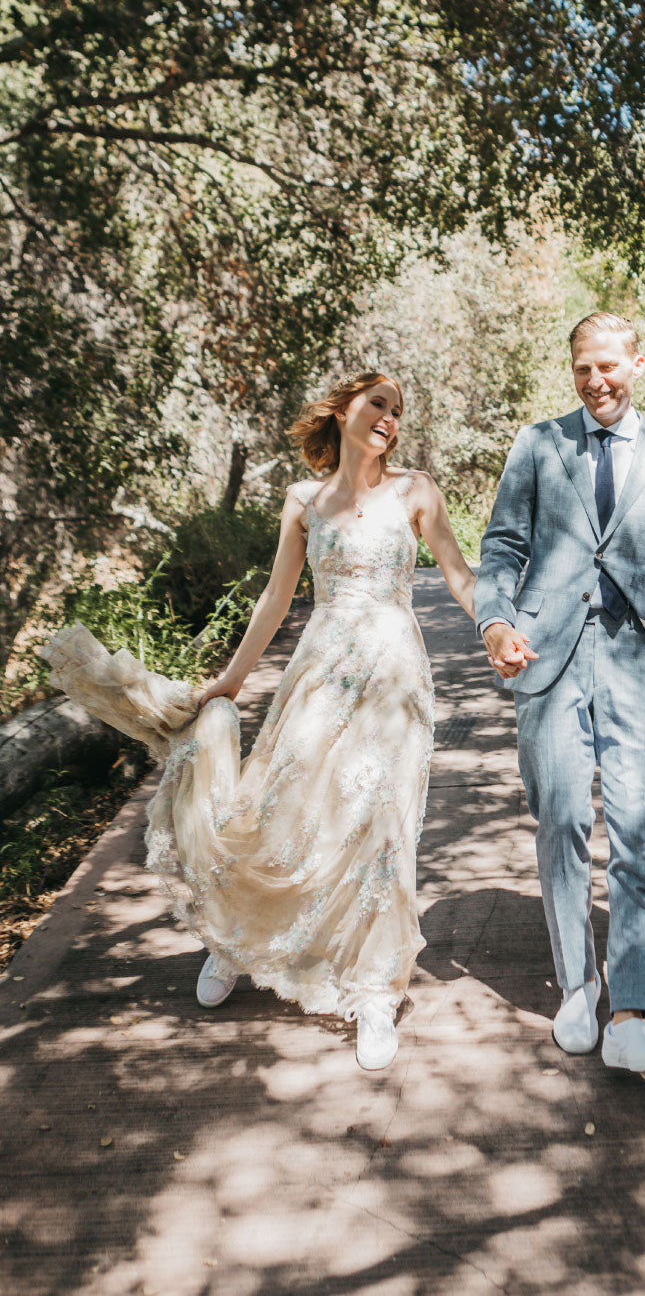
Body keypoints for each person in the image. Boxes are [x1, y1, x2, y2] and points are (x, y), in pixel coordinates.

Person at [45, 372, 476, 1071]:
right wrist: (229, 683)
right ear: (342, 412)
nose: (390, 419)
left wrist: (497, 625)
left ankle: (373, 991)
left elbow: (458, 572)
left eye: (399, 411)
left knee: (383, 825)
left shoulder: (416, 490)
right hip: (320, 667)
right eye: (378, 404)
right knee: (281, 805)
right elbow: (276, 599)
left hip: (396, 677)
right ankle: (234, 943)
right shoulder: (304, 500)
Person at [475, 313, 645, 1074]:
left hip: (638, 664)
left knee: (637, 826)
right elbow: (503, 546)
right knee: (563, 821)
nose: (595, 381)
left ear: (637, 365)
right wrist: (495, 623)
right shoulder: (538, 445)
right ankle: (577, 985)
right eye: (583, 368)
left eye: (609, 366)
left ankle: (634, 1014)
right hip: (548, 659)